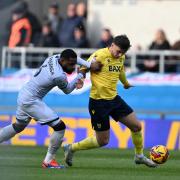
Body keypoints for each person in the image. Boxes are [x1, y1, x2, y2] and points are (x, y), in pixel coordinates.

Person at [62, 35, 157, 168]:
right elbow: (83, 68)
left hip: (114, 99)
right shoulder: (99, 55)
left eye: (122, 53)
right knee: (103, 141)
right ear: (112, 45)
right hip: (98, 102)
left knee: (136, 126)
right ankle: (71, 148)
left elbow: (120, 70)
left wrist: (125, 83)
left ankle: (139, 156)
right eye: (118, 51)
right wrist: (81, 79)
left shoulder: (121, 57)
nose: (119, 55)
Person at [0, 49, 103, 169]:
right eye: (70, 64)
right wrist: (80, 74)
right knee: (59, 127)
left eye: (73, 63)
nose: (72, 66)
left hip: (25, 93)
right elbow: (68, 90)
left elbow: (75, 59)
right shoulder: (58, 75)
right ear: (63, 61)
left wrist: (89, 65)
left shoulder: (55, 57)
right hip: (30, 100)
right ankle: (48, 161)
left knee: (18, 126)